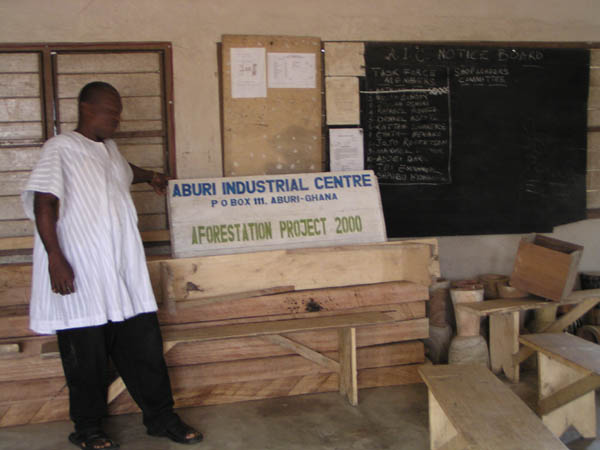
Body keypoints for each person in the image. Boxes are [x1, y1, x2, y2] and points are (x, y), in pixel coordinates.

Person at [21, 82, 202, 449]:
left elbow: (122, 169)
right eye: (111, 112)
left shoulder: (109, 149)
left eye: (118, 113)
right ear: (87, 108)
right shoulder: (61, 148)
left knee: (144, 349)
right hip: (81, 273)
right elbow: (44, 202)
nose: (117, 119)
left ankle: (161, 418)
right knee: (85, 358)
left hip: (122, 274)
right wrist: (55, 257)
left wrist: (151, 176)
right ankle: (87, 429)